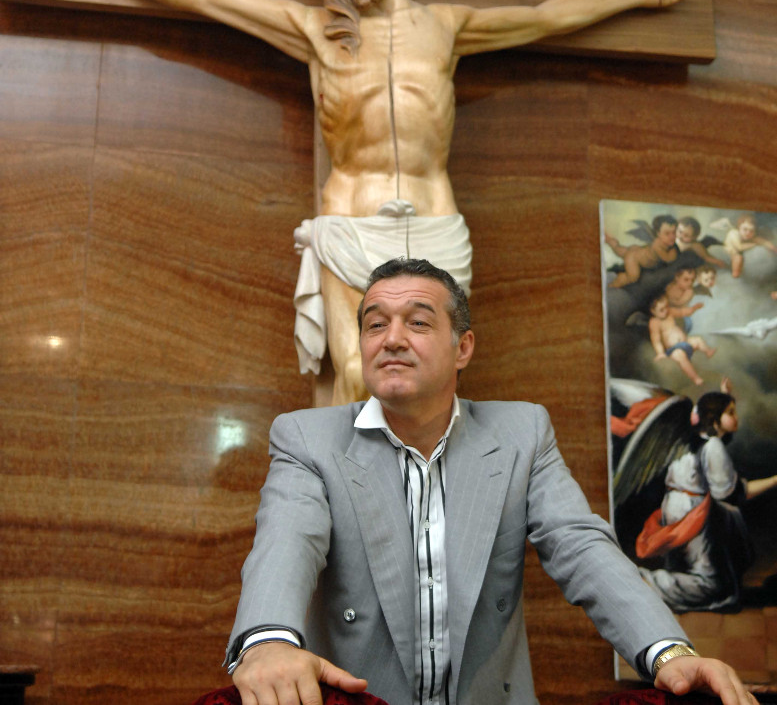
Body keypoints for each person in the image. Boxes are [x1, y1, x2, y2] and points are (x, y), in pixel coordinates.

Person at [16, 0, 691, 404]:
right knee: (355, 380)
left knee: (433, 384)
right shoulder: (314, 33)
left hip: (434, 223)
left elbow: (545, 18)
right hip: (350, 225)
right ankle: (352, 531)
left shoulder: (446, 27)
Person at [224, 257, 755, 705]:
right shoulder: (307, 438)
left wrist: (668, 652)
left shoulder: (522, 432)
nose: (392, 339)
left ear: (463, 348)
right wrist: (267, 641)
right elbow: (286, 542)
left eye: (418, 322)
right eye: (375, 324)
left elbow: (580, 546)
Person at [637, 384, 777, 613]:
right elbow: (730, 494)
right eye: (730, 412)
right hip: (692, 512)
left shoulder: (688, 438)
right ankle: (646, 582)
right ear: (714, 418)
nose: (737, 417)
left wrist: (722, 397)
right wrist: (774, 481)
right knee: (713, 586)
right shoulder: (713, 446)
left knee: (696, 558)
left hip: (672, 506)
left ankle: (664, 582)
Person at [648, 294, 715, 387]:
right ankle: (695, 378)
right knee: (679, 355)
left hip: (686, 342)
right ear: (653, 311)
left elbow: (683, 312)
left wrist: (694, 308)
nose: (666, 310)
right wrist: (660, 353)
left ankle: (708, 351)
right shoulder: (654, 322)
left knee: (697, 339)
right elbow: (656, 340)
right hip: (673, 349)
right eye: (661, 310)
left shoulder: (670, 312)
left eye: (666, 306)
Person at [606, 215, 679, 288]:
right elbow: (668, 259)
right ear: (658, 233)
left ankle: (609, 240)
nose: (672, 237)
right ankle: (613, 284)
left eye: (674, 232)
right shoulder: (657, 245)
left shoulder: (666, 243)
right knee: (632, 277)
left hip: (636, 250)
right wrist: (674, 252)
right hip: (634, 259)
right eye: (667, 233)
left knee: (619, 249)